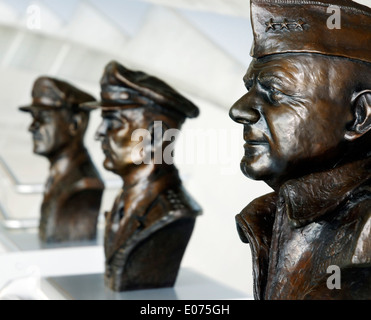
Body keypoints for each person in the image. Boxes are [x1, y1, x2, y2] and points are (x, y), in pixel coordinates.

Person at [229, 0, 371, 300]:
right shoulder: (271, 214)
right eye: (249, 90)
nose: (239, 110)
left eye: (275, 92)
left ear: (360, 115)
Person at [82, 61, 202, 291]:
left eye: (113, 122)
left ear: (155, 136)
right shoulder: (124, 199)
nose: (99, 133)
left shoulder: (174, 211)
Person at [20, 77, 104, 243]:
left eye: (43, 117)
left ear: (75, 122)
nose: (32, 127)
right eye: (34, 117)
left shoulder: (84, 184)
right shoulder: (58, 177)